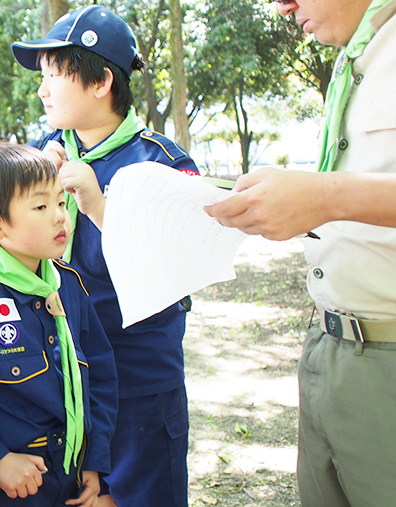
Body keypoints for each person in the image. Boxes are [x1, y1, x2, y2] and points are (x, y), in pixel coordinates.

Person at [204, 0, 396, 505]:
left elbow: (337, 194)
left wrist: (323, 197)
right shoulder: (358, 57)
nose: (281, 5)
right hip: (329, 344)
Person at [11, 6, 200, 507]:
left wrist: (99, 207)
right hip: (61, 378)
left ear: (102, 83)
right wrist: (27, 190)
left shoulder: (162, 162)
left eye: (54, 75)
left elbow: (184, 269)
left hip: (137, 381)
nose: (42, 89)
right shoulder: (41, 155)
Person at [0, 144, 118, 507]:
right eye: (41, 206)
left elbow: (101, 376)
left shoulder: (69, 285)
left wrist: (95, 461)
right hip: (11, 487)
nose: (60, 216)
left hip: (71, 476)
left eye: (62, 203)